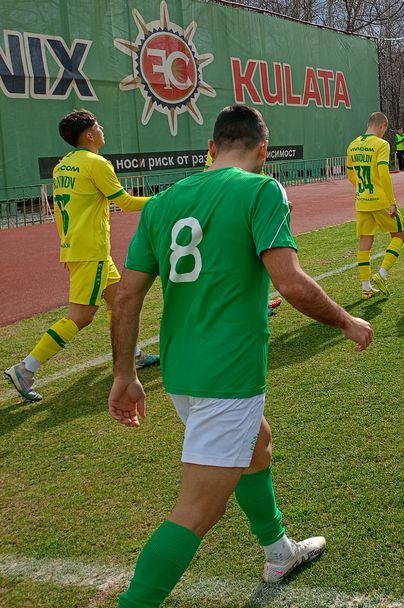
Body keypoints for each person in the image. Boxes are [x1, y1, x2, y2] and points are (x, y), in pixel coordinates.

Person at [109, 104, 374, 607]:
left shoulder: (164, 201)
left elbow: (126, 296)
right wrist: (347, 321)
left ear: (211, 147)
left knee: (259, 443)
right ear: (263, 152)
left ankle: (279, 551)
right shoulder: (261, 189)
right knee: (195, 512)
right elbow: (291, 281)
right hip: (226, 375)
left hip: (182, 370)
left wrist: (125, 373)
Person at [4, 110, 158, 402]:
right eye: (97, 125)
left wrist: (70, 246)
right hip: (92, 251)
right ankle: (25, 369)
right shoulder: (96, 163)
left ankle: (133, 354)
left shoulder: (62, 166)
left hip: (78, 247)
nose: (101, 128)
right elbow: (124, 203)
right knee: (81, 316)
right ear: (88, 135)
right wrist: (166, 198)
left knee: (120, 301)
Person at [205, 151, 285, 317]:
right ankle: (253, 306)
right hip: (231, 212)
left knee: (253, 260)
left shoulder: (242, 145)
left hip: (239, 209)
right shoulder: (228, 149)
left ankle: (261, 303)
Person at [347, 112, 404, 298]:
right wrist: (392, 202)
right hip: (380, 200)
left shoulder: (353, 144)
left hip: (362, 201)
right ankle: (382, 274)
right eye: (384, 130)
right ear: (381, 126)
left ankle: (365, 288)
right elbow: (383, 173)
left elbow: (350, 174)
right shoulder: (381, 144)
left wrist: (363, 189)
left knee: (365, 242)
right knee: (399, 235)